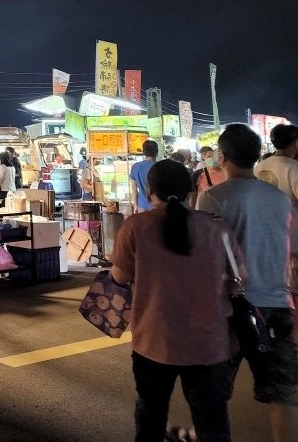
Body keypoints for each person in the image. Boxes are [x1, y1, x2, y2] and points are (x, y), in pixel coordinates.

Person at [111, 159, 239, 442]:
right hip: (209, 341)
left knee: (150, 414)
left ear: (149, 189)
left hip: (154, 340)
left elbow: (119, 278)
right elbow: (242, 277)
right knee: (213, 422)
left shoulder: (135, 227)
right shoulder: (216, 227)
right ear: (191, 190)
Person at [197, 124, 297, 442]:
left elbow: (207, 258)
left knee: (214, 393)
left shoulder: (211, 197)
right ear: (256, 157)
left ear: (222, 157)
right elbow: (288, 250)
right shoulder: (279, 199)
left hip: (229, 308)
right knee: (283, 395)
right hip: (277, 306)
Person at [255, 123, 298, 304]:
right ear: (295, 143)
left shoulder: (259, 167)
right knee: (294, 286)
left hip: (265, 234)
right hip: (293, 235)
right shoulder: (294, 168)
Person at [130, 140, 160, 212]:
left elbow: (134, 189)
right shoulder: (160, 167)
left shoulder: (136, 167)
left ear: (143, 152)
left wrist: (135, 206)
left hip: (142, 206)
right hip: (157, 207)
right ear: (157, 152)